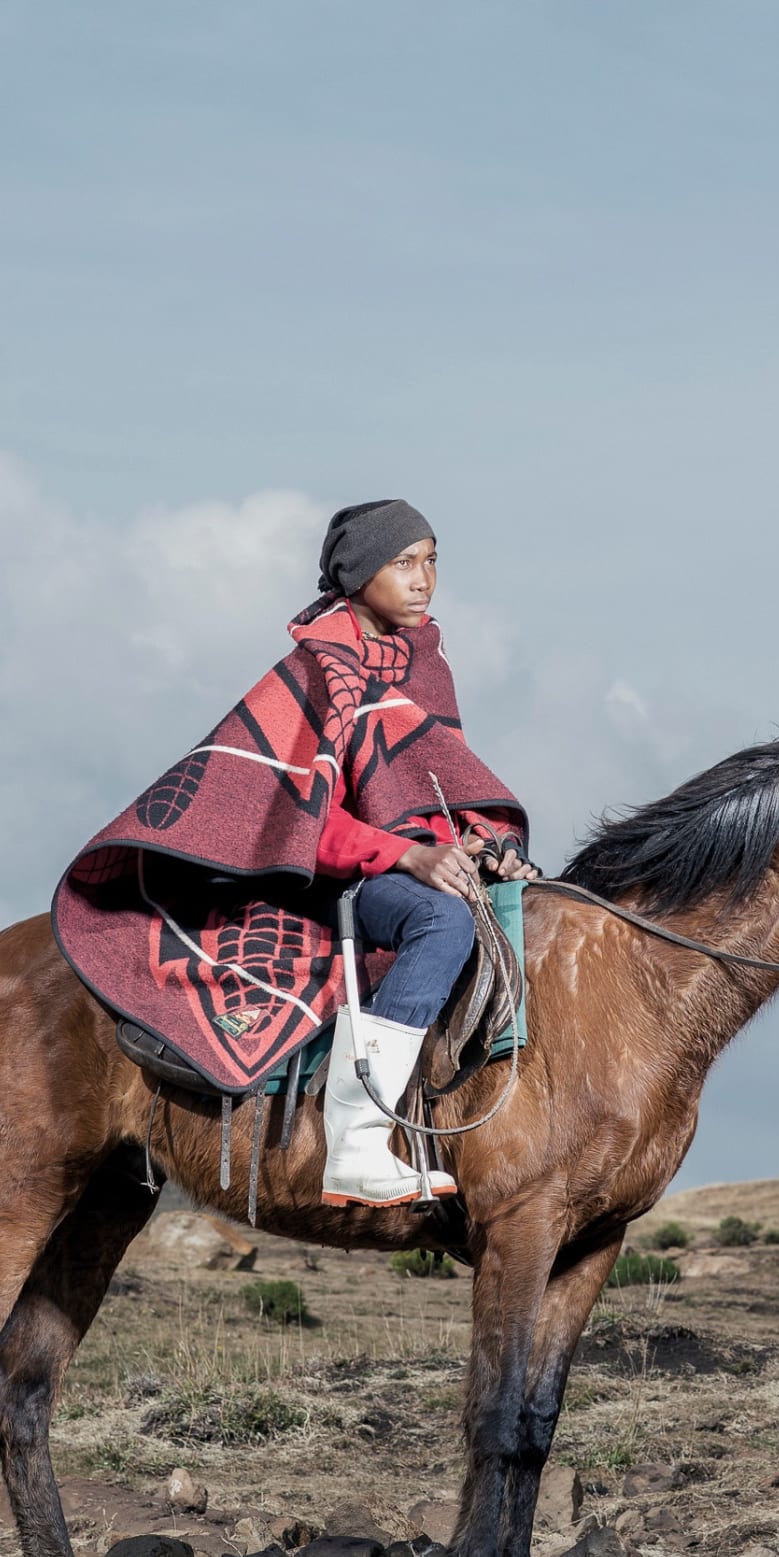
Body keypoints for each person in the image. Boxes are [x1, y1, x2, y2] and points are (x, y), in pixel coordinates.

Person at [308, 500, 538, 1208]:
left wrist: (488, 843)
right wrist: (407, 858)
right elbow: (299, 821)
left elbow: (447, 780)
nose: (423, 580)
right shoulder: (321, 668)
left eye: (432, 561)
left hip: (425, 867)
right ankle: (356, 1141)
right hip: (341, 881)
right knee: (443, 924)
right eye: (404, 563)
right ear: (357, 573)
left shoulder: (426, 663)